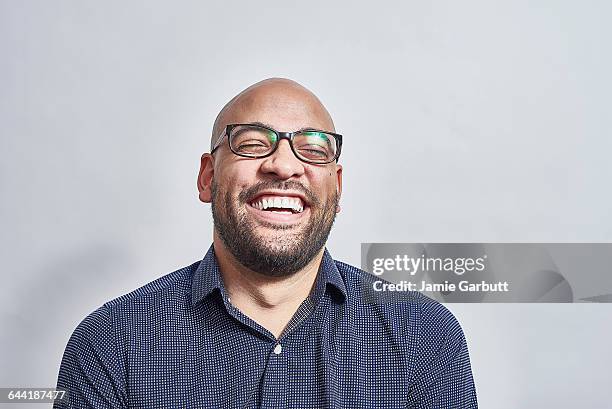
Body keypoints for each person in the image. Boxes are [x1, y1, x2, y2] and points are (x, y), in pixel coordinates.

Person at [54, 78, 478, 408]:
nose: (282, 165)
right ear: (208, 177)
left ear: (338, 187)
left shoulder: (425, 336)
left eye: (313, 149)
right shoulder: (111, 343)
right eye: (253, 143)